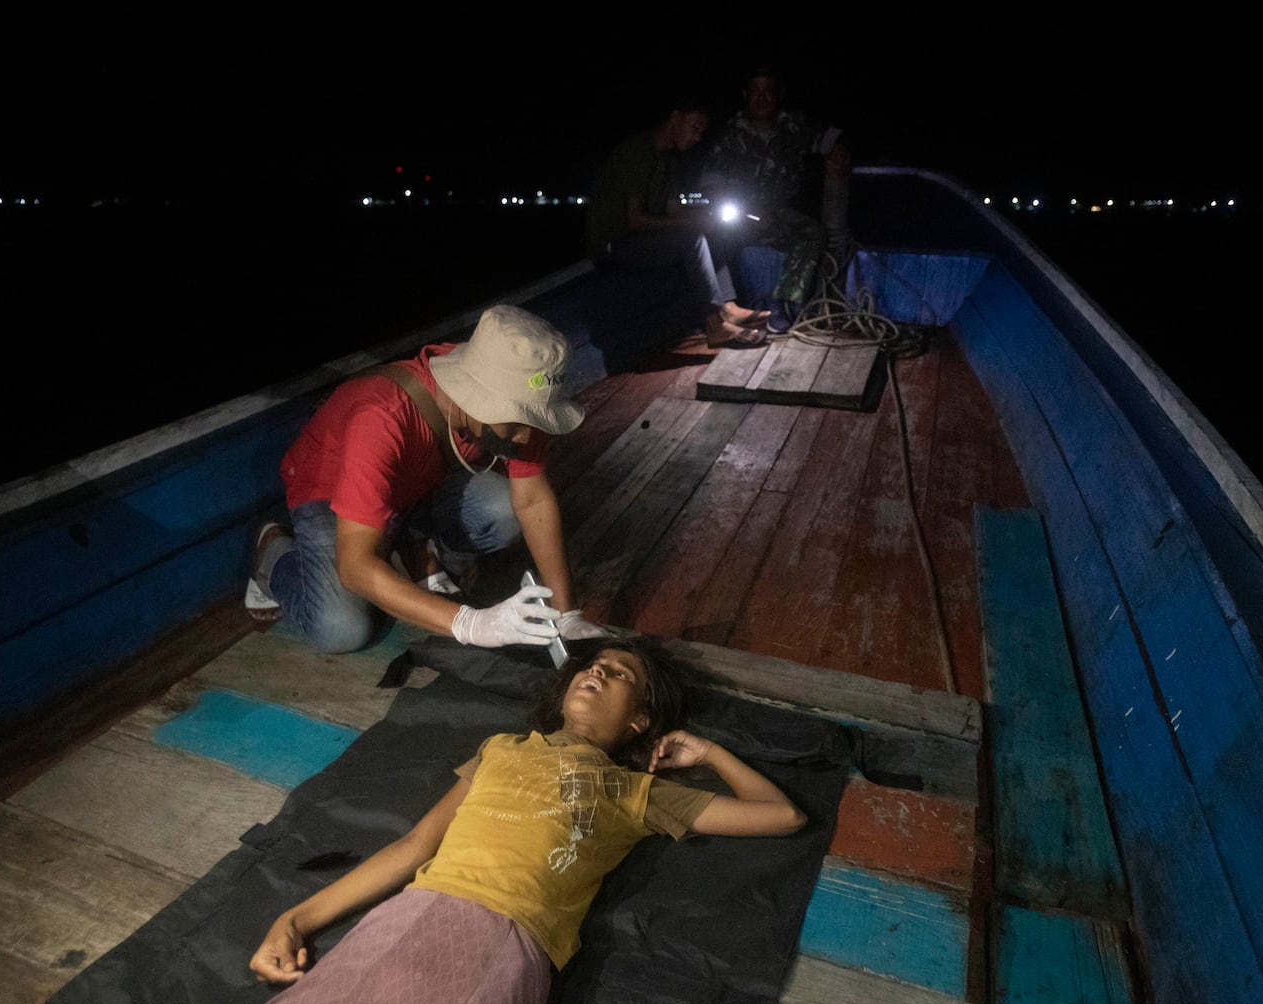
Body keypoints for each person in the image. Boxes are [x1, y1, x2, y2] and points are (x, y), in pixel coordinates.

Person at [208, 637, 807, 1004]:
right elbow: (417, 844)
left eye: (619, 674)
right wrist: (294, 919)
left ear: (640, 723)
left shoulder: (632, 790)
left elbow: (781, 816)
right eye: (593, 664)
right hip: (408, 914)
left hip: (500, 938)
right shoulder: (501, 748)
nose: (595, 673)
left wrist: (707, 755)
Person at [245, 304, 608, 653]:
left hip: (417, 483)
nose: (527, 439)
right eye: (514, 425)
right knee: (341, 630)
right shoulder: (379, 417)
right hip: (330, 491)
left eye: (533, 422)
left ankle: (414, 544)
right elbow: (355, 566)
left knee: (504, 510)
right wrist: (470, 624)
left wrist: (567, 613)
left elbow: (531, 500)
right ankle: (272, 554)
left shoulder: (518, 390)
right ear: (474, 397)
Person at [583, 90, 771, 350]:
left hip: (641, 238)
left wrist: (707, 218)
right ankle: (716, 326)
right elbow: (635, 220)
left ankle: (728, 307)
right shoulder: (638, 150)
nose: (697, 137)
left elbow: (673, 211)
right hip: (613, 243)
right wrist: (691, 225)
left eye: (701, 132)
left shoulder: (668, 160)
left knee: (712, 229)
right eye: (694, 128)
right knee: (691, 239)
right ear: (675, 118)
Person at [700, 66, 853, 331]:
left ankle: (785, 303)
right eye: (755, 93)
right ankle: (728, 309)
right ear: (746, 96)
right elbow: (710, 184)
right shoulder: (729, 133)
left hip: (779, 214)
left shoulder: (793, 125)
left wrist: (838, 153)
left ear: (778, 95)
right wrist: (730, 206)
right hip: (738, 214)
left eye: (768, 92)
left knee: (813, 232)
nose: (761, 99)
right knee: (710, 234)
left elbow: (833, 139)